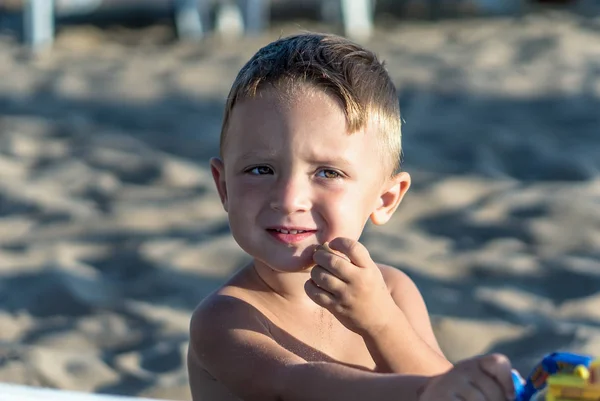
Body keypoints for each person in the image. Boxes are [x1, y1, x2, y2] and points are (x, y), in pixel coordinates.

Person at [187, 32, 517, 401]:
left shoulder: (392, 292)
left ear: (385, 198)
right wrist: (428, 388)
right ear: (224, 187)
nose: (289, 198)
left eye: (328, 173)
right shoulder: (225, 318)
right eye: (261, 170)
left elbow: (443, 386)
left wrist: (382, 322)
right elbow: (294, 386)